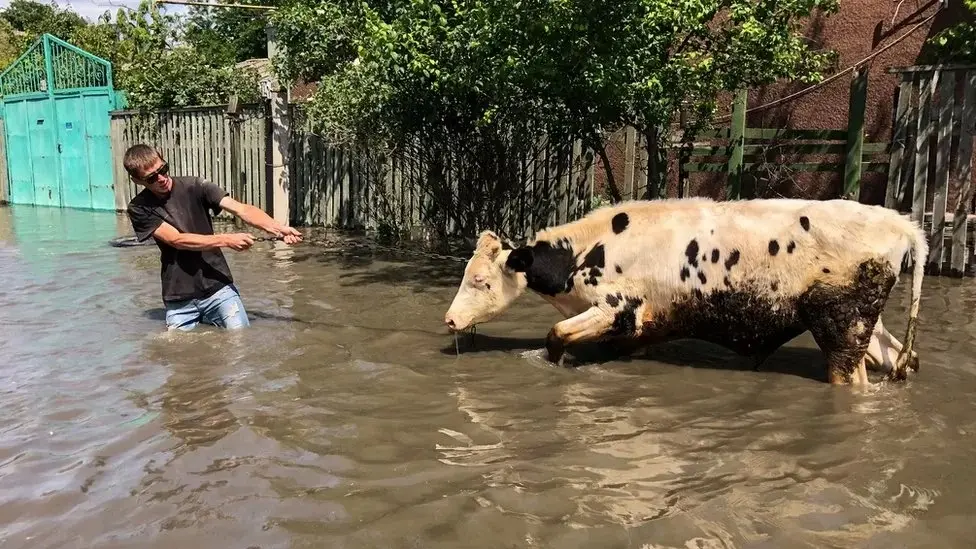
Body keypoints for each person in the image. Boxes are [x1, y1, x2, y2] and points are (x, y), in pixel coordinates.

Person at [123, 143, 303, 331]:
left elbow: (241, 209)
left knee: (242, 342)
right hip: (178, 296)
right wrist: (226, 240)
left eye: (163, 169)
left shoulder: (195, 185)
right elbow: (176, 240)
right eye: (152, 177)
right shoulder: (139, 208)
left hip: (218, 286)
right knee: (177, 354)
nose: (161, 178)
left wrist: (278, 229)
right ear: (138, 181)